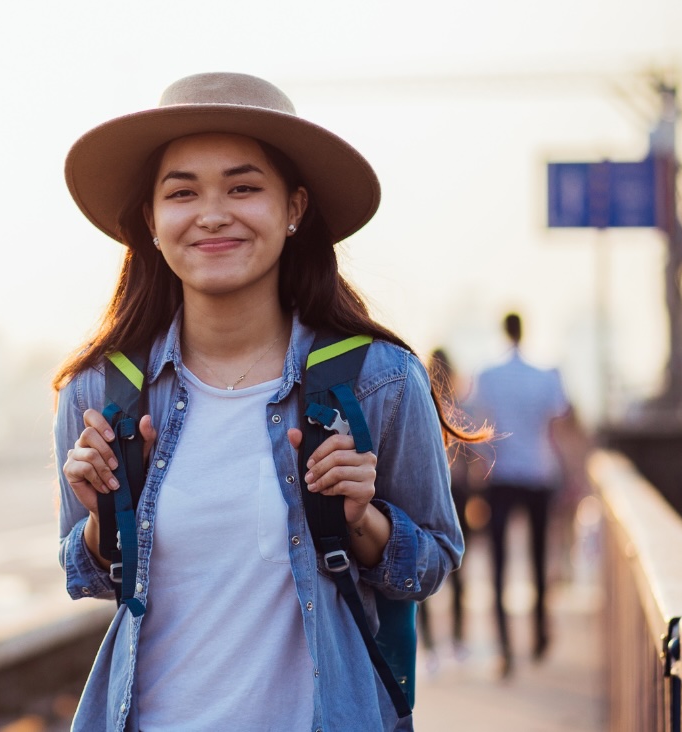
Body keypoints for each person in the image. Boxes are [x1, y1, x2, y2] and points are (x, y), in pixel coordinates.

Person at [54, 72, 485, 732]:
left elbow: (430, 564)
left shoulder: (378, 380)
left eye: (243, 186)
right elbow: (86, 576)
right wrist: (101, 518)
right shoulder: (102, 391)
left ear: (294, 208)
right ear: (152, 220)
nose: (213, 212)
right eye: (182, 192)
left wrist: (362, 521)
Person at [468, 313, 573, 678]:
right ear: (524, 331)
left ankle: (505, 647)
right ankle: (540, 633)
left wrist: (481, 465)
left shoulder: (487, 377)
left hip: (501, 477)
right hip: (539, 474)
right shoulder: (546, 376)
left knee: (498, 565)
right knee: (539, 559)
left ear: (503, 330)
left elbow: (477, 427)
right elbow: (560, 425)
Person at [417, 348, 474, 668]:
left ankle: (431, 648)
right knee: (458, 571)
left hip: (424, 494)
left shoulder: (418, 402)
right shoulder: (459, 407)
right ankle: (458, 640)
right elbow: (468, 461)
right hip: (457, 493)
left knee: (421, 567)